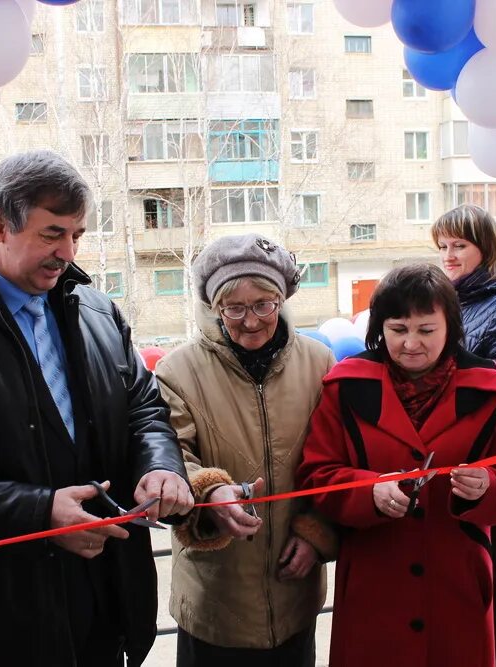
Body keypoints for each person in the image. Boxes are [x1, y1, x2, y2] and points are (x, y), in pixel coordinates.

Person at [0, 150, 193, 667]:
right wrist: (40, 511)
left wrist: (162, 467)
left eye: (77, 234)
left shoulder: (98, 311)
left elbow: (144, 411)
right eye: (52, 233)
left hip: (108, 598)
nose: (67, 251)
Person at [296, 263, 496, 667]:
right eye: (398, 329)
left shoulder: (487, 391)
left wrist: (487, 486)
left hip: (457, 580)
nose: (411, 343)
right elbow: (317, 474)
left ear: (450, 327)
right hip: (374, 578)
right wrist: (368, 490)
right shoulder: (346, 387)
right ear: (379, 328)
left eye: (426, 330)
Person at [153, 234, 338, 667]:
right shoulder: (177, 371)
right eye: (233, 308)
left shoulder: (320, 363)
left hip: (294, 591)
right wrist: (208, 491)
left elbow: (337, 459)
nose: (250, 321)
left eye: (263, 304)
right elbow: (169, 453)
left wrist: (316, 532)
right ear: (214, 308)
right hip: (216, 597)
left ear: (282, 300)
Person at [432, 203, 496, 667]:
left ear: (485, 247)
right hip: (442, 467)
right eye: (443, 246)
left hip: (480, 471)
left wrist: (468, 441)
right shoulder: (451, 301)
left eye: (460, 246)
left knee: (484, 578)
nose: (449, 255)